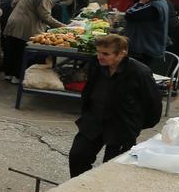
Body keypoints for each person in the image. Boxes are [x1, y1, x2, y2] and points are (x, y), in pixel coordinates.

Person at [69, 34, 162, 177]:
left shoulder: (139, 72)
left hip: (121, 127)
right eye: (98, 52)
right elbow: (88, 91)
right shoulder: (96, 65)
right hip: (94, 121)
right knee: (78, 156)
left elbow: (153, 104)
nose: (100, 57)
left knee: (112, 168)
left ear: (121, 54)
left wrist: (135, 125)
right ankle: (80, 186)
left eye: (106, 54)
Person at [2, 0, 65, 80]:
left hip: (13, 23)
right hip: (26, 27)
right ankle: (18, 77)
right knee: (21, 53)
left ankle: (9, 74)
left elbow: (13, 3)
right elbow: (45, 16)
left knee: (12, 51)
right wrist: (63, 26)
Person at [124, 0, 171, 73]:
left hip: (145, 49)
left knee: (136, 74)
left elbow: (129, 15)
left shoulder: (154, 6)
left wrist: (140, 2)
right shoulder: (161, 2)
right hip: (148, 47)